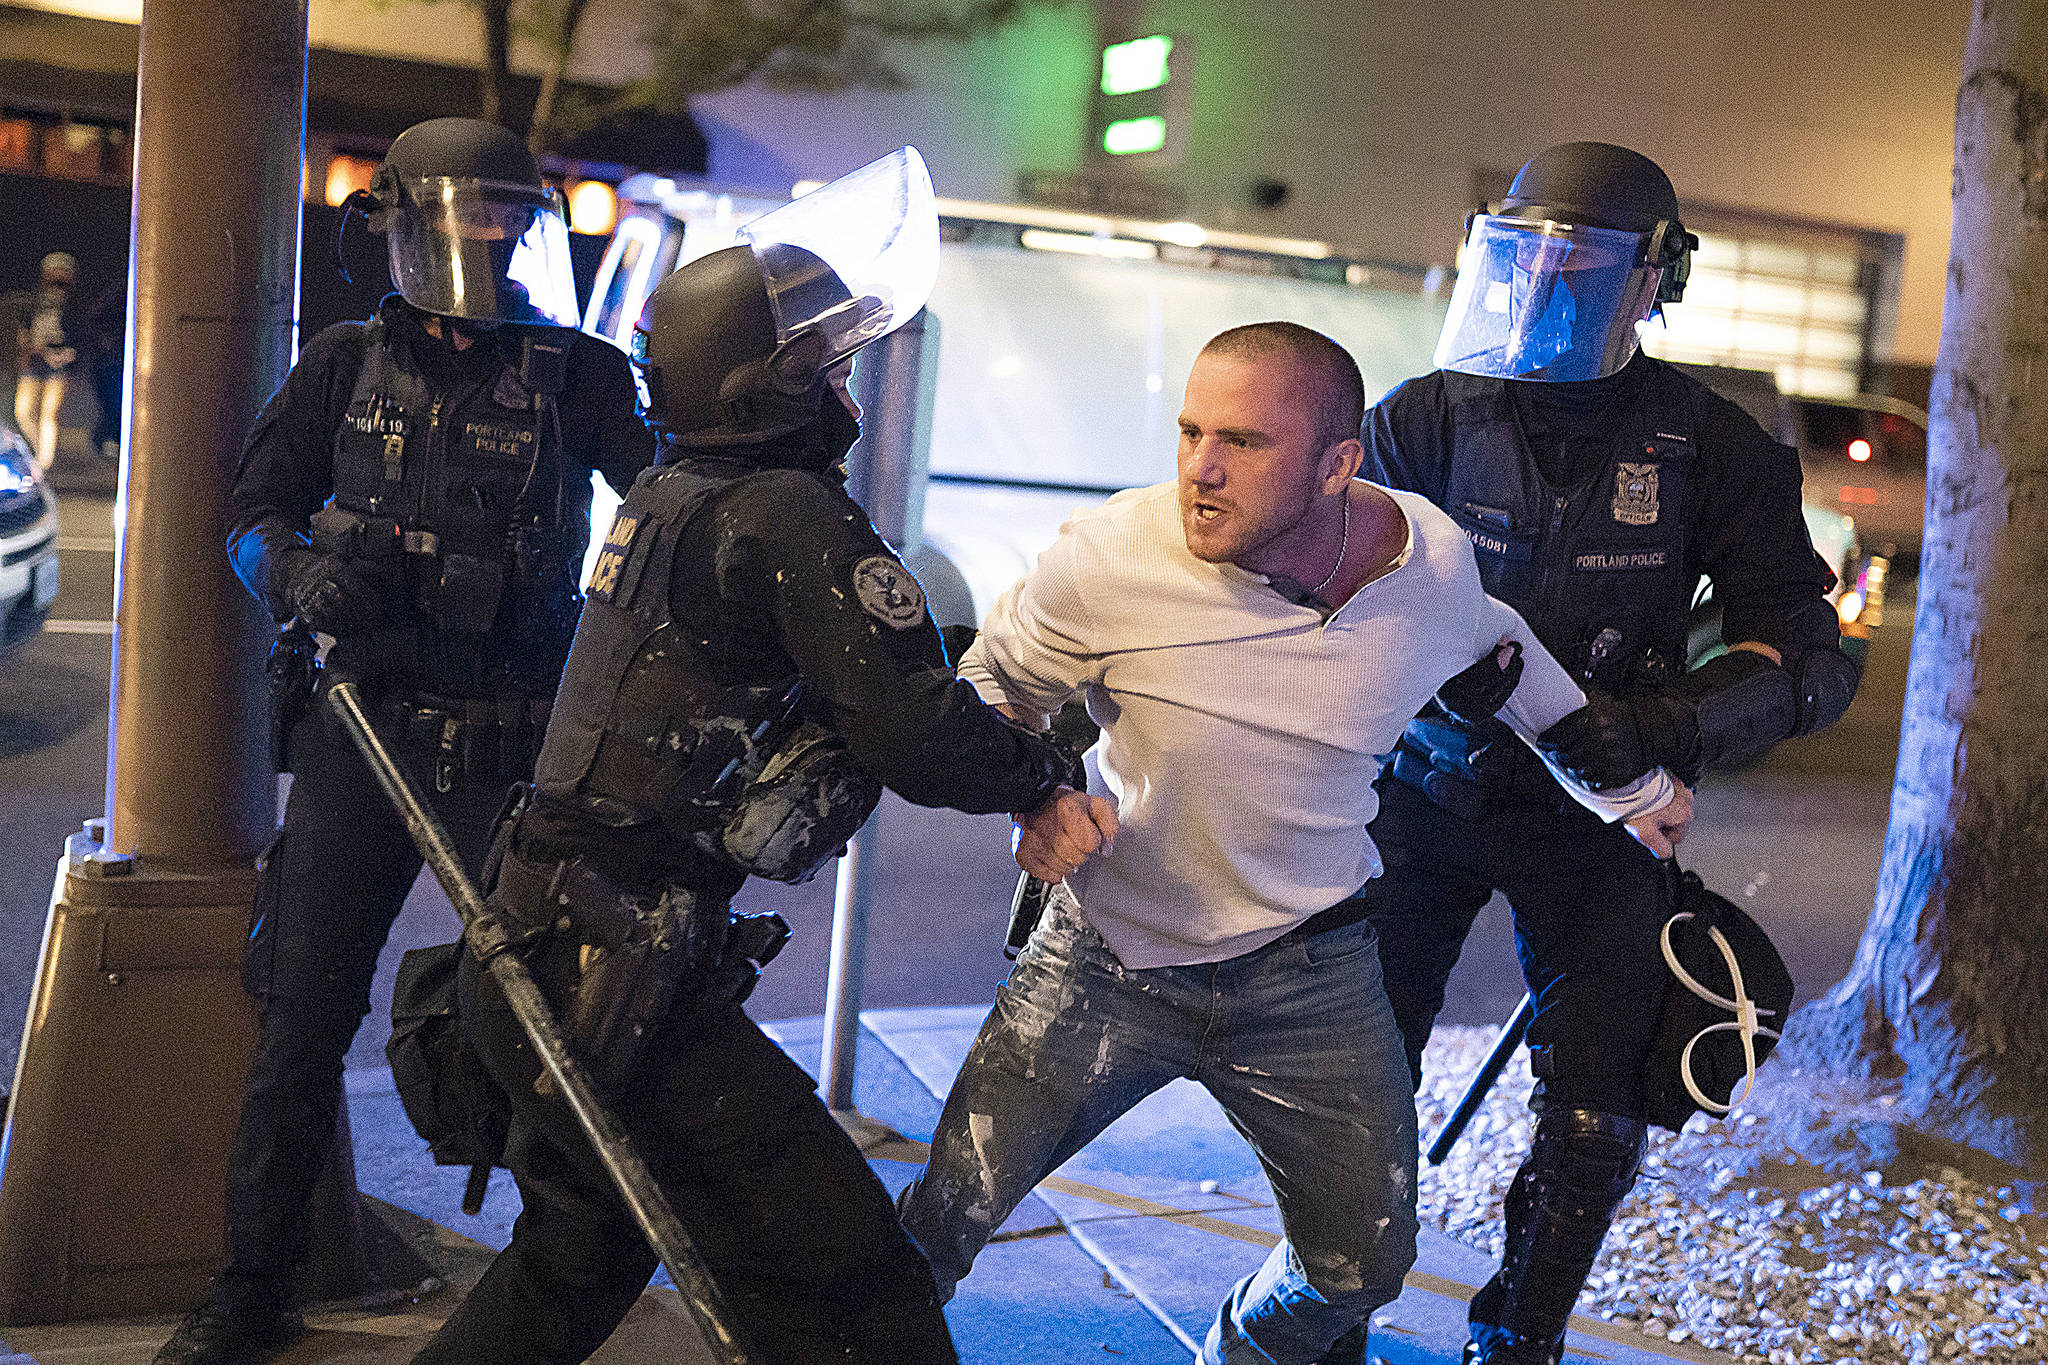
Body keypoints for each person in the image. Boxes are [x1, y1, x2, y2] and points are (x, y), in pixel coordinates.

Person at [895, 320, 1691, 1365]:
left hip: (1309, 972)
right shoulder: (1103, 562)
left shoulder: (1425, 564)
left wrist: (1627, 789)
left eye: (1242, 443)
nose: (1199, 472)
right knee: (938, 1222)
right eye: (1187, 434)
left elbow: (1503, 654)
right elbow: (985, 696)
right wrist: (1035, 791)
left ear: (1337, 466)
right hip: (1105, 958)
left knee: (1359, 1269)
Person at [407, 148, 1083, 1365]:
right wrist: (1041, 777)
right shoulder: (784, 514)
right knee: (853, 1288)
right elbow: (912, 729)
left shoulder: (673, 493)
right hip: (623, 980)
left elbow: (841, 678)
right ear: (771, 385)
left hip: (542, 949)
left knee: (577, 1259)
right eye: (823, 362)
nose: (840, 383)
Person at [154, 118, 655, 1365]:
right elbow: (250, 513)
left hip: (522, 751)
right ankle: (248, 1289)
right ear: (405, 224)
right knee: (300, 1020)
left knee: (555, 1023)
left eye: (509, 217)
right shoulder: (340, 364)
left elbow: (673, 507)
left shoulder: (579, 374)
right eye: (468, 216)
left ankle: (554, 1291)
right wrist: (298, 575)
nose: (490, 238)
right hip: (363, 738)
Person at [1358, 142, 1865, 1365]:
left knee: (1594, 1115)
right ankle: (1327, 1315)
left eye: (1580, 266)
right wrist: (1428, 669)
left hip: (1594, 802)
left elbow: (1808, 657)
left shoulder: (1712, 446)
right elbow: (1322, 595)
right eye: (1523, 257)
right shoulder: (1423, 416)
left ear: (1652, 282)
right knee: (1354, 1080)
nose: (1545, 289)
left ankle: (1518, 1337)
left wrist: (1666, 727)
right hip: (1419, 788)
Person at [14, 251, 78, 470]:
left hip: (60, 365)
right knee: (23, 412)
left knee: (50, 414)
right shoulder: (34, 301)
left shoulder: (73, 304)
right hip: (34, 362)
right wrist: (27, 350)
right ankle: (40, 453)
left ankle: (44, 464)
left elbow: (80, 333)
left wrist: (71, 354)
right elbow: (24, 330)